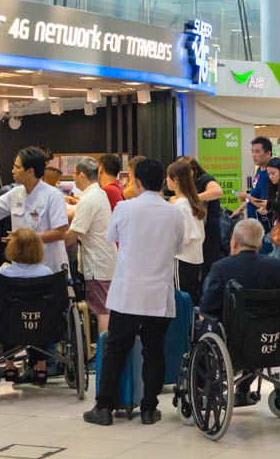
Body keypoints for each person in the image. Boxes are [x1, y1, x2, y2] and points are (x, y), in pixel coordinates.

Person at [84, 158, 185, 427]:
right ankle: (150, 409)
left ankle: (104, 407)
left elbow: (111, 237)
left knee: (116, 349)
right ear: (163, 180)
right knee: (154, 351)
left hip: (128, 292)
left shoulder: (125, 208)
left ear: (136, 181)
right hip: (158, 294)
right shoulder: (174, 212)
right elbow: (178, 246)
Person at [0, 228, 54, 381]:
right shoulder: (47, 273)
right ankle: (42, 366)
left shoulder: (5, 273)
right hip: (41, 325)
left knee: (8, 317)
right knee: (44, 320)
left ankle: (10, 365)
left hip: (11, 326)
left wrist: (2, 269)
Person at [199, 218, 280, 320]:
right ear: (260, 246)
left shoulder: (220, 268)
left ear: (234, 242)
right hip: (269, 330)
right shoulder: (276, 265)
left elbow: (206, 309)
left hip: (233, 332)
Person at [66, 157, 117, 331]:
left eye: (74, 174)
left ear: (81, 175)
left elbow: (75, 233)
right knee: (105, 306)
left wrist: (52, 245)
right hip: (105, 260)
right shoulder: (98, 193)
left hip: (97, 264)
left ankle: (104, 353)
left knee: (101, 309)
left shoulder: (89, 200)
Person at [167, 159, 208, 302]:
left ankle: (183, 325)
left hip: (182, 258)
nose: (166, 180)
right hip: (195, 257)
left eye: (168, 176)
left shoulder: (180, 204)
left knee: (180, 299)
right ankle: (191, 324)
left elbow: (182, 237)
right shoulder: (192, 201)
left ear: (176, 179)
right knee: (192, 297)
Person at [183, 157, 225, 288]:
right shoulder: (184, 183)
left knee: (207, 266)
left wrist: (191, 199)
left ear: (193, 170)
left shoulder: (204, 179)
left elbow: (217, 191)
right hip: (195, 232)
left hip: (209, 230)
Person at [235, 137, 273, 221]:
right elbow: (253, 195)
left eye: (257, 151)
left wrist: (247, 196)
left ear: (268, 154)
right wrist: (240, 208)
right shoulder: (260, 170)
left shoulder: (269, 175)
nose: (254, 155)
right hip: (254, 222)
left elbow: (264, 204)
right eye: (252, 151)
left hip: (264, 224)